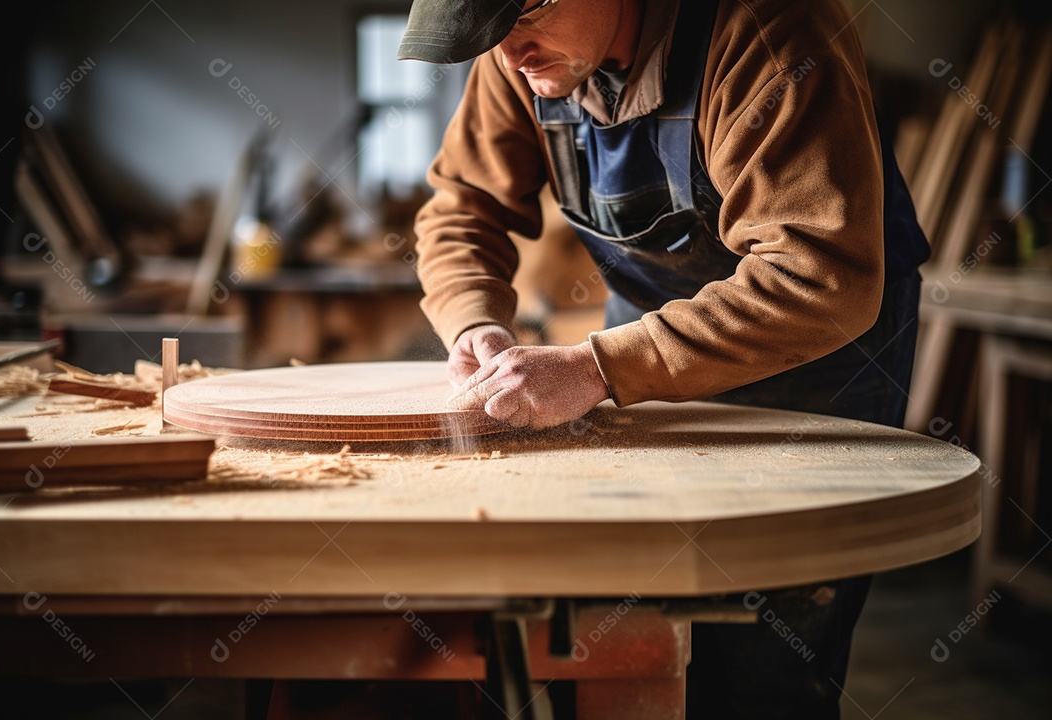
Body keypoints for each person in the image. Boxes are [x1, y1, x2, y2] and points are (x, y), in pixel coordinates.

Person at [398, 0, 929, 717]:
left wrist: (594, 369)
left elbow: (818, 277)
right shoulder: (514, 55)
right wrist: (473, 323)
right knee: (619, 612)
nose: (511, 53)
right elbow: (463, 207)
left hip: (814, 347)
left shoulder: (765, 34)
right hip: (641, 333)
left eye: (522, 23)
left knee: (758, 661)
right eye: (489, 39)